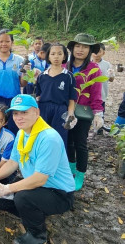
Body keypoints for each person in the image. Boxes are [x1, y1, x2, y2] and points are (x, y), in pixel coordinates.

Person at [0, 94, 75, 244]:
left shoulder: (48, 138)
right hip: (39, 188)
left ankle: (38, 235)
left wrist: (6, 188)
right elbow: (12, 163)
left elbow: (40, 179)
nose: (19, 117)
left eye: (24, 112)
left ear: (36, 112)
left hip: (59, 193)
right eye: (16, 113)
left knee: (22, 198)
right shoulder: (22, 134)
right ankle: (36, 214)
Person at [66, 33, 104, 190]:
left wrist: (98, 114)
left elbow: (96, 93)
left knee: (80, 143)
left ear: (90, 51)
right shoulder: (64, 66)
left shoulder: (93, 70)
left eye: (85, 47)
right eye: (78, 46)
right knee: (68, 142)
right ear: (73, 48)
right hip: (67, 112)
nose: (80, 50)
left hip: (82, 113)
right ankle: (71, 169)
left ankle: (80, 174)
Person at [36, 43, 77, 147]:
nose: (56, 57)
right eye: (53, 54)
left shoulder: (68, 76)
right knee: (42, 137)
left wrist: (70, 114)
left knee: (59, 138)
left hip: (61, 110)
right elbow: (38, 96)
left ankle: (59, 162)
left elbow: (72, 98)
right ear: (48, 56)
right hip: (43, 109)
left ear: (64, 56)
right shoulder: (42, 76)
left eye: (59, 54)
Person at [91, 43, 115, 134]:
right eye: (94, 51)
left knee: (101, 112)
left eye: (99, 51)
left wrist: (111, 75)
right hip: (89, 94)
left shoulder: (107, 65)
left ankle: (99, 129)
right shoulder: (88, 64)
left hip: (101, 94)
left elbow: (111, 79)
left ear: (103, 53)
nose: (96, 53)